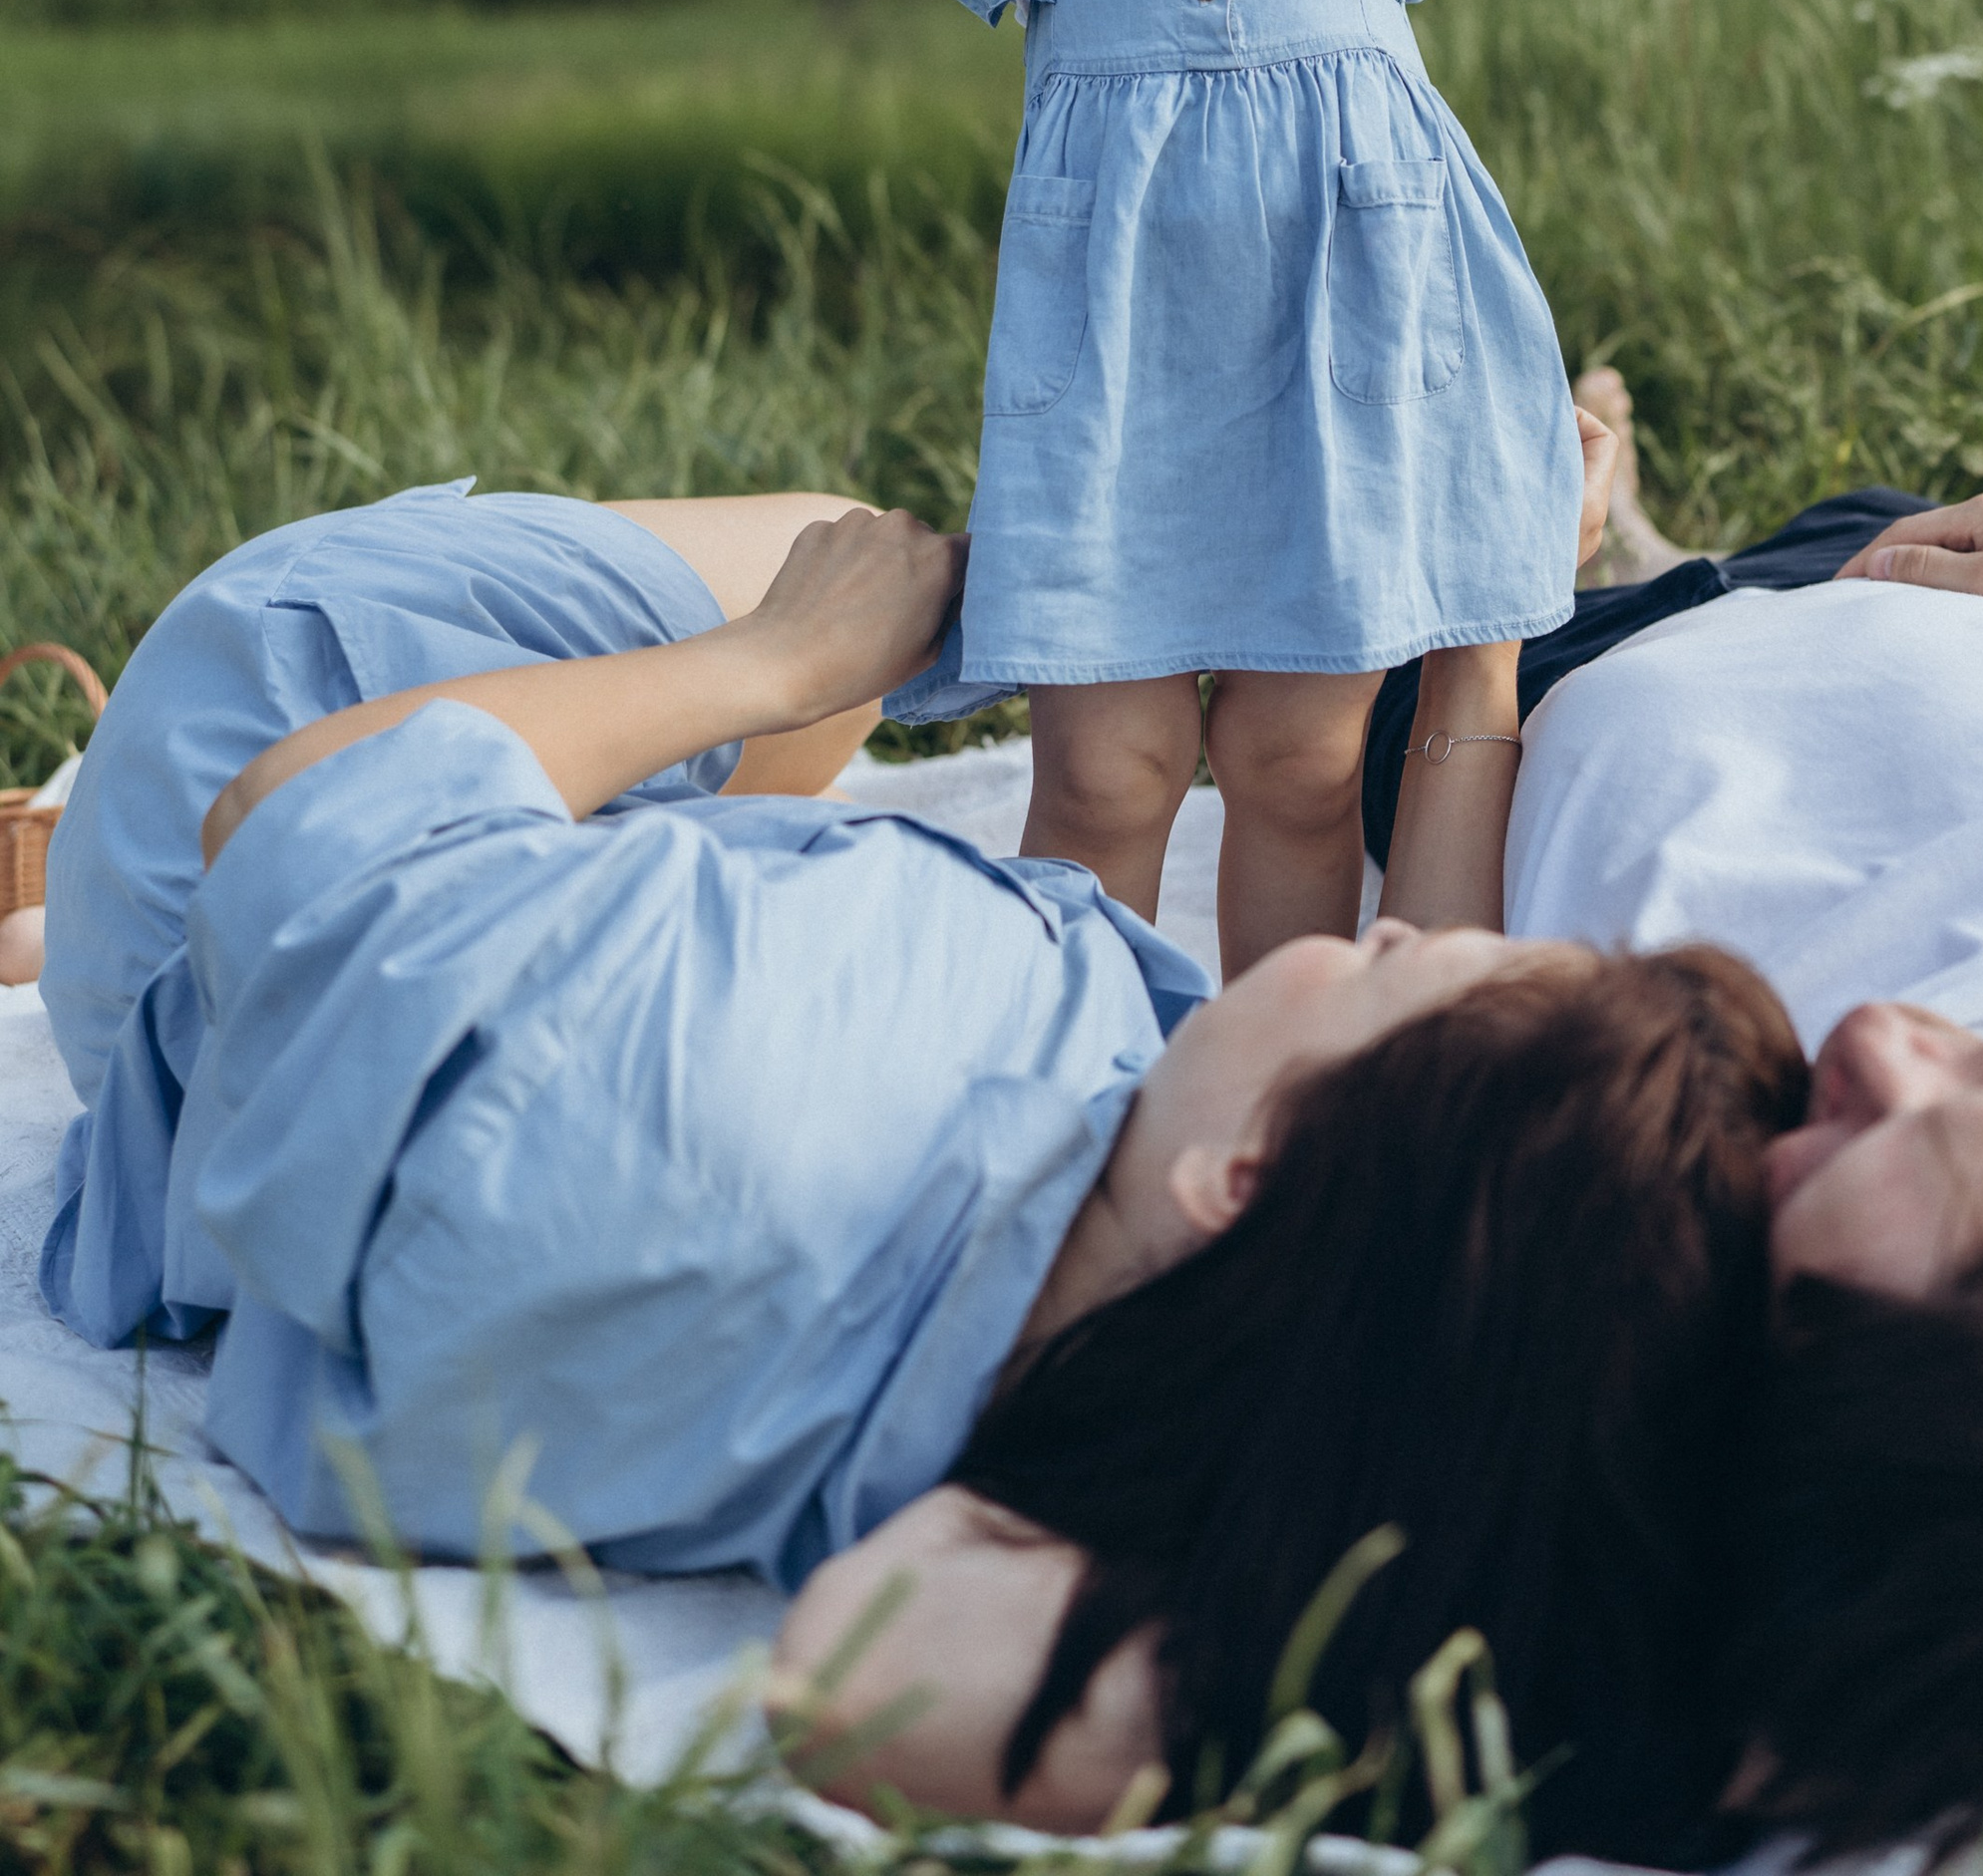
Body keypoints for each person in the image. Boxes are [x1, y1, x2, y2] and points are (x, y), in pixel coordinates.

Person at [358, 0, 1928, 968]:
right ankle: (1081, 1064)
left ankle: (1270, 1070)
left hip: (1353, 367)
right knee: (1107, 772)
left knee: (1299, 769)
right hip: (1118, 380)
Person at [40, 453, 1807, 1864]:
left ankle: (47, 855)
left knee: (850, 556)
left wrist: (787, 662)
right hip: (523, 993)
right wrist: (1482, 645)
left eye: (1405, 967)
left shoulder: (743, 1080)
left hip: (257, 807)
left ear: (1251, 1177)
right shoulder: (1124, 1390)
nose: (1391, 935)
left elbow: (285, 823)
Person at [795, 455, 1983, 1854]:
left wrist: (1543, 1682)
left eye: (1814, 1147)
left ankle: (1576, 528)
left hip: (1514, 721)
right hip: (1934, 589)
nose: (1876, 1047)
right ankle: (1614, 512)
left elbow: (867, 1671)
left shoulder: (1633, 1327)